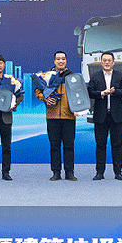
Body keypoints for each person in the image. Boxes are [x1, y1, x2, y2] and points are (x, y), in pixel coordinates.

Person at [34, 50, 76, 181]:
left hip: (69, 116)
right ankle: (56, 172)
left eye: (63, 59)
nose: (60, 61)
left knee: (69, 146)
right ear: (54, 61)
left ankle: (69, 172)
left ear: (66, 61)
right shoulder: (47, 76)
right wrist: (45, 98)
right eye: (58, 59)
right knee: (54, 146)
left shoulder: (73, 76)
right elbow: (38, 91)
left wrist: (78, 108)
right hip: (52, 116)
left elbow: (79, 93)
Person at [88, 51, 122, 180]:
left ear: (113, 62)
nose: (107, 63)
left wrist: (113, 92)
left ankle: (118, 172)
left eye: (109, 61)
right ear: (101, 62)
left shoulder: (120, 76)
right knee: (100, 145)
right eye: (104, 60)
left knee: (117, 145)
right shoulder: (95, 76)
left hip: (116, 116)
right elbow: (90, 92)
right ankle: (99, 172)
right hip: (101, 115)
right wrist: (101, 93)